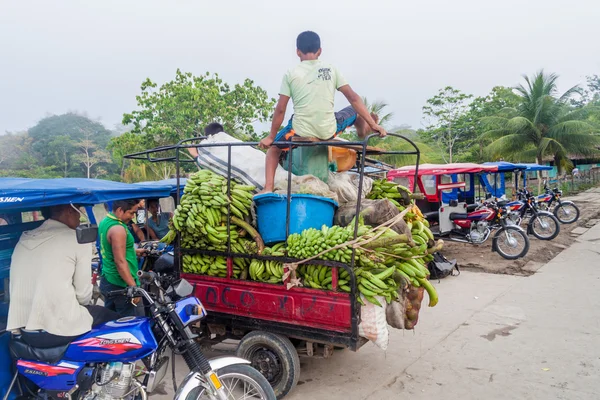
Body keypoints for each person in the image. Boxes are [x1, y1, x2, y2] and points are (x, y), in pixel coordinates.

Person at [258, 31, 387, 192]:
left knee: (273, 150)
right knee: (351, 110)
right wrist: (373, 124)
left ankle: (268, 187)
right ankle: (362, 123)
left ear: (297, 51)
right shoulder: (331, 69)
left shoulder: (291, 74)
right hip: (328, 130)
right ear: (320, 51)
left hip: (299, 130)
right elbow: (353, 97)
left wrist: (271, 136)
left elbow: (281, 109)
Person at [7, 204, 118, 347]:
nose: (80, 217)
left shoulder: (23, 239)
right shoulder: (78, 240)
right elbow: (83, 296)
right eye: (79, 211)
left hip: (23, 330)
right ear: (69, 210)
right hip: (57, 330)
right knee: (112, 319)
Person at [99, 199, 147, 317]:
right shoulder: (118, 229)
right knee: (132, 322)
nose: (132, 217)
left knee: (111, 321)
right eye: (131, 213)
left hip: (108, 280)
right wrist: (133, 287)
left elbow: (113, 249)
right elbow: (120, 262)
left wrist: (134, 251)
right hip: (121, 284)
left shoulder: (105, 221)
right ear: (120, 210)